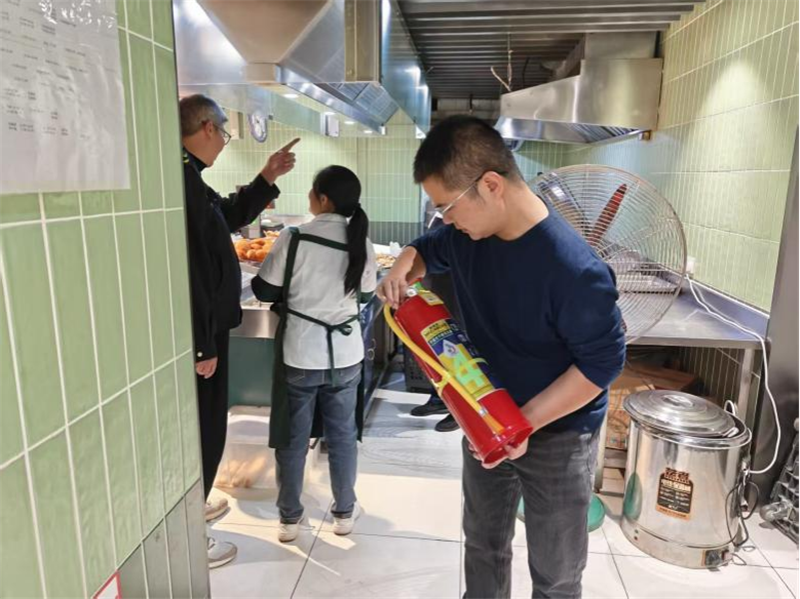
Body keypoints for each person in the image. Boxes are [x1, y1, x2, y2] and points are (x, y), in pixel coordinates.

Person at [378, 116, 626, 598]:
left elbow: (601, 365)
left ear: (491, 185)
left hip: (557, 434)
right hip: (485, 418)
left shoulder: (573, 269)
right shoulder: (468, 236)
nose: (446, 220)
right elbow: (425, 249)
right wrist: (402, 267)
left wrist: (522, 424)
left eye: (447, 207)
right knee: (483, 545)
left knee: (556, 573)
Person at [180, 94, 299, 568]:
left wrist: (266, 177)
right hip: (202, 337)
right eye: (225, 133)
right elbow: (193, 271)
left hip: (208, 331)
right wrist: (203, 343)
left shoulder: (190, 177)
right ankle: (192, 533)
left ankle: (194, 503)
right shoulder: (180, 181)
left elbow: (228, 216)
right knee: (206, 429)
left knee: (207, 427)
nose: (225, 142)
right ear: (207, 127)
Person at [251, 165, 377, 543]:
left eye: (311, 191)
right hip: (346, 357)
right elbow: (366, 296)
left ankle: (289, 519)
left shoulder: (294, 237)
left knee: (292, 439)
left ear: (323, 199)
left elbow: (264, 290)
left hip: (301, 355)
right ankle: (344, 513)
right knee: (342, 437)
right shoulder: (362, 242)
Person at [407, 198, 461, 433]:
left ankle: (458, 410)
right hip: (435, 298)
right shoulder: (437, 220)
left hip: (455, 301)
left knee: (455, 356)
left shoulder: (460, 223)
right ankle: (438, 399)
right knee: (435, 355)